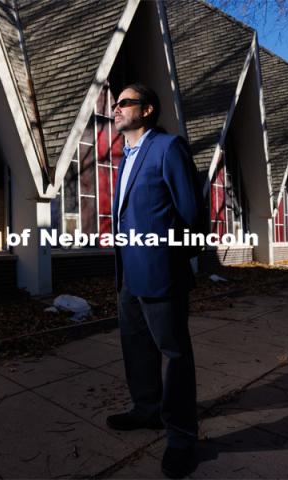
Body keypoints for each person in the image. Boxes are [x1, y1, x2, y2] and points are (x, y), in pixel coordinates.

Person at [107, 83, 204, 479]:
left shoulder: (168, 148)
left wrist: (168, 258)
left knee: (175, 354)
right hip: (128, 275)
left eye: (123, 103)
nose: (115, 109)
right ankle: (146, 410)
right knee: (136, 347)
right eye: (114, 104)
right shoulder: (124, 159)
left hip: (162, 273)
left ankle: (182, 437)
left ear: (146, 110)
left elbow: (193, 216)